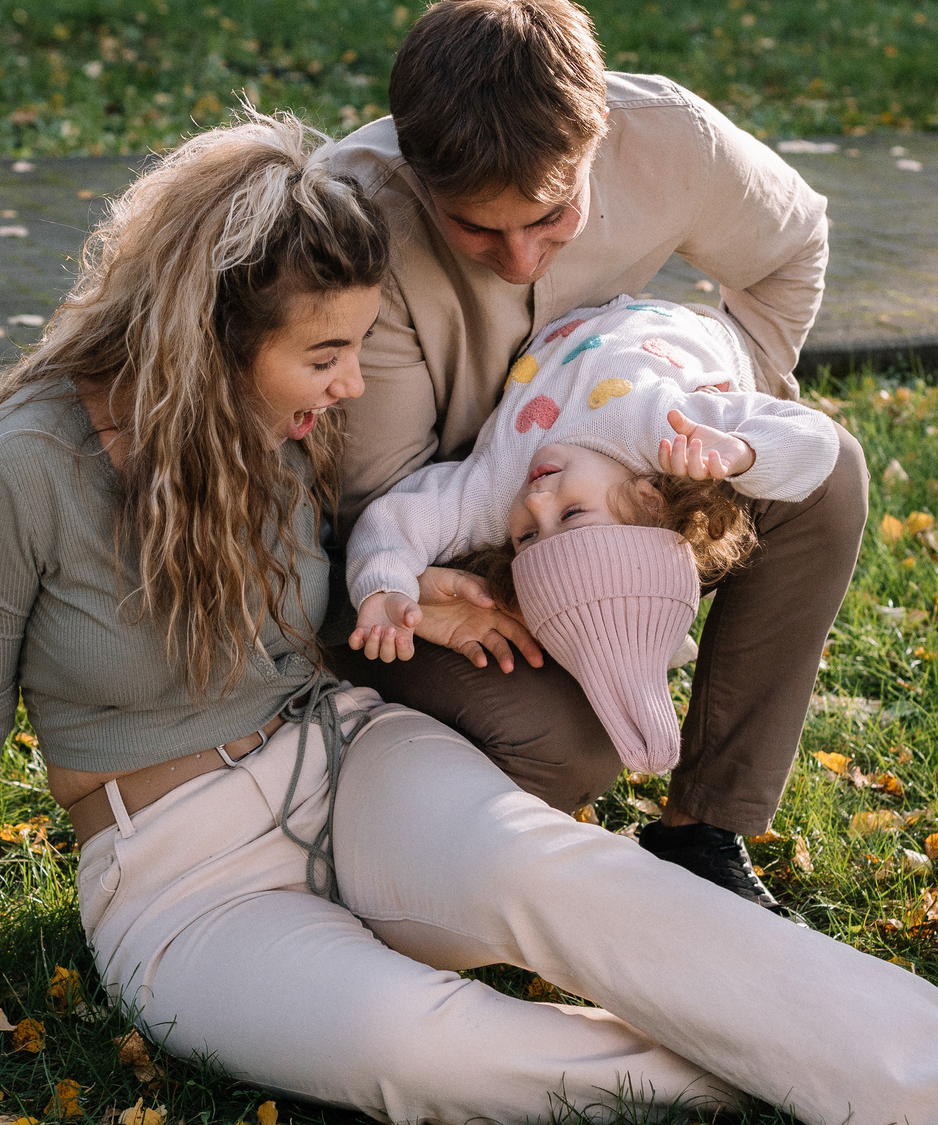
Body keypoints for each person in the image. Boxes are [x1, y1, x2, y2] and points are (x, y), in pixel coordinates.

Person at [0, 110, 938, 1125]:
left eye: (354, 350)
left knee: (563, 880)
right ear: (210, 326)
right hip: (173, 876)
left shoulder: (265, 422)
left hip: (341, 757)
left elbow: (295, 590)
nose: (347, 387)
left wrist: (415, 588)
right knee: (420, 1050)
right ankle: (826, 1065)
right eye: (324, 354)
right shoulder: (17, 469)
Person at [326, 0, 861, 909]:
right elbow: (374, 504)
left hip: (619, 461)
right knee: (569, 744)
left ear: (596, 142)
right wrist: (522, 565)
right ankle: (389, 831)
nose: (525, 258)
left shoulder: (667, 138)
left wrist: (723, 404)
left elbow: (791, 242)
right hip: (429, 544)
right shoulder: (352, 222)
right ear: (418, 175)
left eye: (551, 218)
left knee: (826, 472)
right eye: (477, 230)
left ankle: (706, 828)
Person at [344, 293, 839, 806]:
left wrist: (383, 587)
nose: (537, 503)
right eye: (573, 515)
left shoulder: (494, 492)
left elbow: (394, 519)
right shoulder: (665, 429)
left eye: (528, 538)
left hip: (576, 325)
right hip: (678, 323)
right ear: (648, 501)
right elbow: (817, 441)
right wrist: (743, 451)